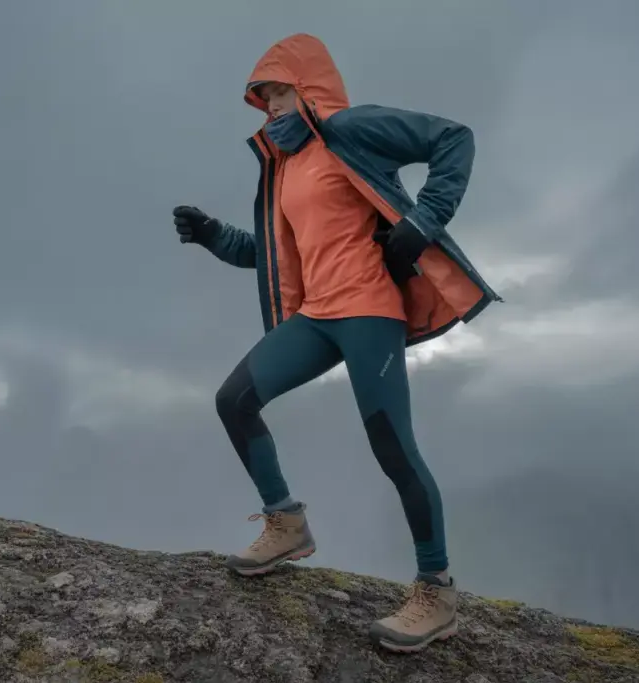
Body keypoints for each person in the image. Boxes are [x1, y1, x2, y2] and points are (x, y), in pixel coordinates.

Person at [171, 33, 501, 653]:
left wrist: (424, 219)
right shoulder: (285, 165)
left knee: (393, 450)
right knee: (234, 400)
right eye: (262, 97)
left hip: (370, 313)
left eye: (278, 91)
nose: (269, 105)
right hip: (316, 316)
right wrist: (214, 234)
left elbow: (453, 138)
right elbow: (272, 254)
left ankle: (437, 591)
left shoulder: (352, 129)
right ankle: (286, 523)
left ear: (308, 86)